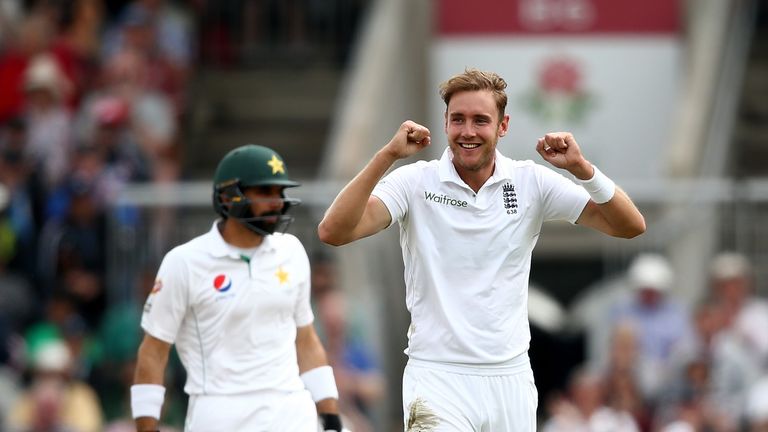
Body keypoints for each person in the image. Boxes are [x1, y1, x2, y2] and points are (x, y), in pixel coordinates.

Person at [318, 68, 646, 430]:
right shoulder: (415, 181)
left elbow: (629, 225)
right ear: (444, 122)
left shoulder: (530, 181)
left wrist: (583, 169)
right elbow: (334, 230)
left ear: (502, 126)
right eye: (457, 119)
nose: (468, 131)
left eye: (480, 120)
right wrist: (387, 156)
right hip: (436, 376)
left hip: (511, 378)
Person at [132, 144, 345, 431]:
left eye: (279, 193)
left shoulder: (291, 251)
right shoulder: (184, 262)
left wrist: (330, 415)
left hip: (291, 412)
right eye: (265, 192)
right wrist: (146, 427)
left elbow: (306, 339)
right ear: (228, 196)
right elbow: (153, 351)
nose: (277, 202)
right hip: (220, 414)